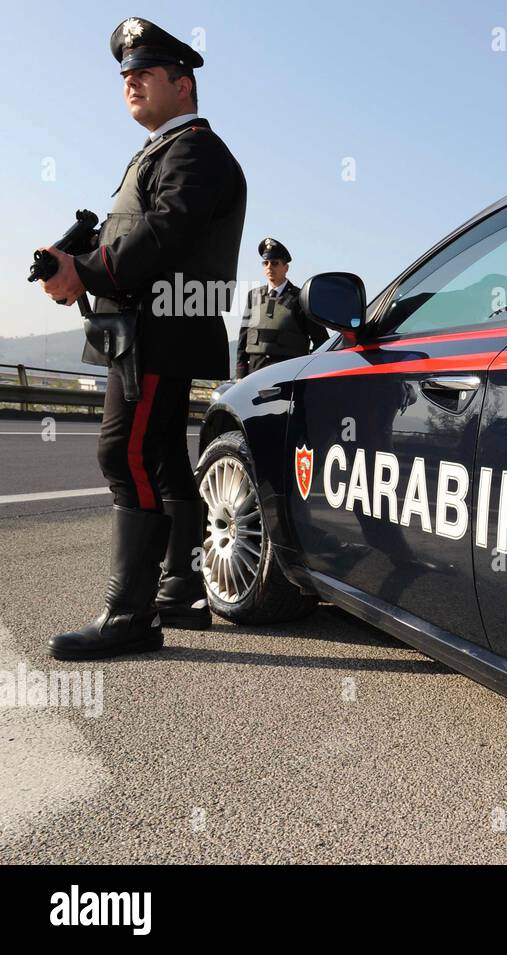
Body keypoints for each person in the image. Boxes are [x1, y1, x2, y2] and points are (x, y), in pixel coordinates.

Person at [38, 17, 247, 659]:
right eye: (125, 73)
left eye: (145, 72)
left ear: (184, 86)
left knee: (122, 455)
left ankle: (129, 617)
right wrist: (79, 261)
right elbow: (141, 231)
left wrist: (86, 271)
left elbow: (163, 237)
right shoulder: (162, 150)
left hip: (159, 328)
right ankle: (179, 589)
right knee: (157, 456)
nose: (131, 81)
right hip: (148, 329)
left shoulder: (195, 151)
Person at [236, 238, 327, 379]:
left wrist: (307, 372)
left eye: (274, 263)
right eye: (265, 263)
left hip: (287, 376)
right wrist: (240, 374)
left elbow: (321, 340)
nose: (269, 267)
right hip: (254, 374)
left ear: (286, 267)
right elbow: (243, 340)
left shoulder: (301, 299)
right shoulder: (253, 296)